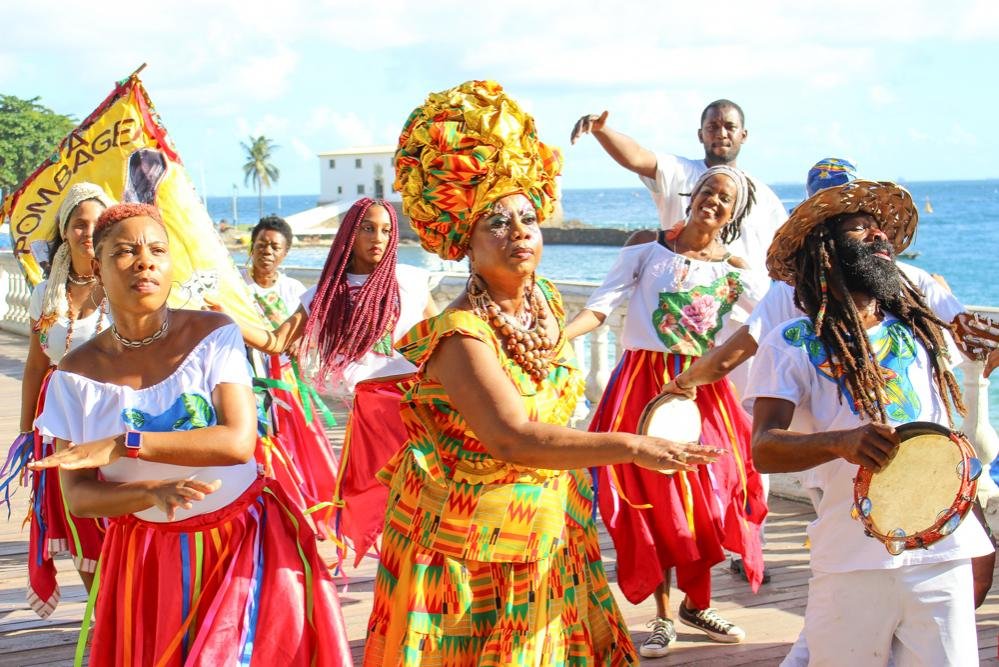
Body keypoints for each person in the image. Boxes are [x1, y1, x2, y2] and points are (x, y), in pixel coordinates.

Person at [363, 79, 725, 666]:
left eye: (526, 219)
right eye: (496, 224)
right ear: (465, 243)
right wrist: (632, 446)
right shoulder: (461, 336)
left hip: (552, 535)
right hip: (469, 555)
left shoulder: (548, 303)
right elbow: (512, 436)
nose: (518, 233)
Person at [29, 202, 351, 665]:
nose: (145, 260)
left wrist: (127, 443)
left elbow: (238, 442)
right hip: (149, 557)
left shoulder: (212, 334)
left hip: (242, 540)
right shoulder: (75, 374)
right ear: (96, 267)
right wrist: (152, 491)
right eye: (124, 251)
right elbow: (79, 497)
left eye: (157, 249)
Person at [747, 180, 994, 666]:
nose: (879, 238)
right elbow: (763, 448)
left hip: (942, 553)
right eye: (860, 230)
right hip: (851, 559)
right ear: (826, 253)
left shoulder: (920, 332)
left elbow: (944, 436)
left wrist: (976, 529)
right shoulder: (788, 343)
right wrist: (841, 441)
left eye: (879, 229)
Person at [565, 165, 768, 657]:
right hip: (641, 386)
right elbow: (600, 307)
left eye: (724, 198)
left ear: (733, 213)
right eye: (707, 191)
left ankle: (697, 604)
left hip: (701, 391)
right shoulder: (646, 247)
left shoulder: (737, 271)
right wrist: (557, 340)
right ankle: (660, 617)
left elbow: (776, 321)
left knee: (707, 496)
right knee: (652, 500)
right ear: (691, 193)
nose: (712, 201)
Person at [234, 198, 437, 563]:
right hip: (373, 409)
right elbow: (277, 341)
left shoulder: (408, 279)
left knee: (428, 489)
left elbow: (440, 336)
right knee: (378, 495)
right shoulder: (325, 293)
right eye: (368, 228)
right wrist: (225, 317)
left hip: (419, 399)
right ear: (350, 232)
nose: (379, 238)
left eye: (387, 230)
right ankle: (403, 573)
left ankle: (425, 570)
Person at [1, 182, 115, 618]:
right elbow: (35, 364)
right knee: (74, 515)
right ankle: (103, 615)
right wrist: (27, 431)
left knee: (118, 514)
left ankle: (128, 610)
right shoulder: (45, 292)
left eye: (97, 223)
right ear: (64, 230)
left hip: (110, 416)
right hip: (59, 420)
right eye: (79, 223)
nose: (88, 232)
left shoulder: (122, 283)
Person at [569, 100, 787, 273]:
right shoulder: (679, 171)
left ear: (744, 135)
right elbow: (636, 156)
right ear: (700, 135)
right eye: (712, 127)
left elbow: (782, 254)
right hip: (681, 300)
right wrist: (602, 130)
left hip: (743, 314)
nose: (721, 134)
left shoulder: (764, 196)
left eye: (730, 127)